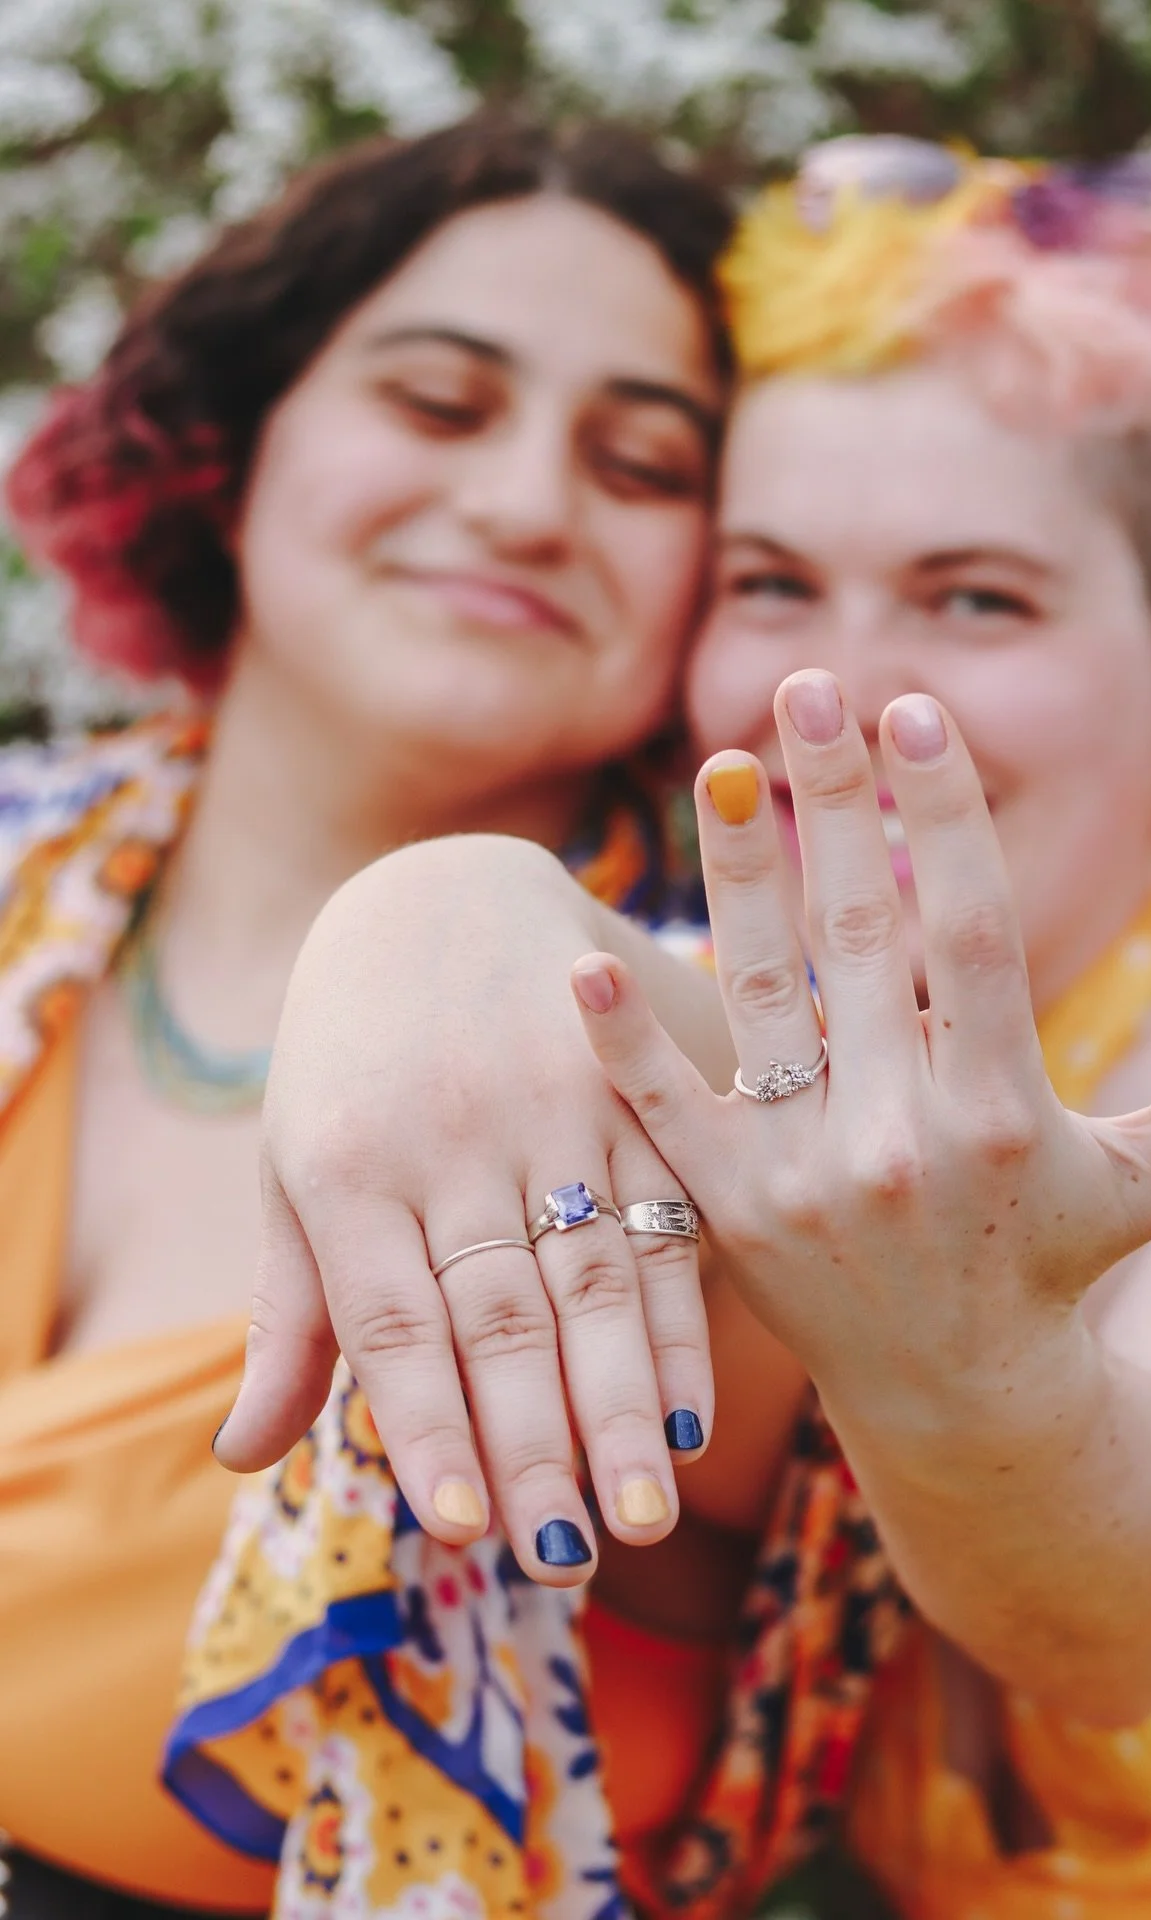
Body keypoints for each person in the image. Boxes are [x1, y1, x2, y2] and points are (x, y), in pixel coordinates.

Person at [181, 141, 1151, 1919]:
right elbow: (652, 1023)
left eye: (977, 596)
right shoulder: (794, 993)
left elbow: (1131, 1609)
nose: (830, 693)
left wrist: (969, 1364)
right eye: (770, 584)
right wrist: (438, 910)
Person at [0, 109, 740, 1916]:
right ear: (229, 443)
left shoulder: (707, 1046)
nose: (523, 504)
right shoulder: (28, 872)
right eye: (437, 403)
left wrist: (481, 913)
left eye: (644, 463)